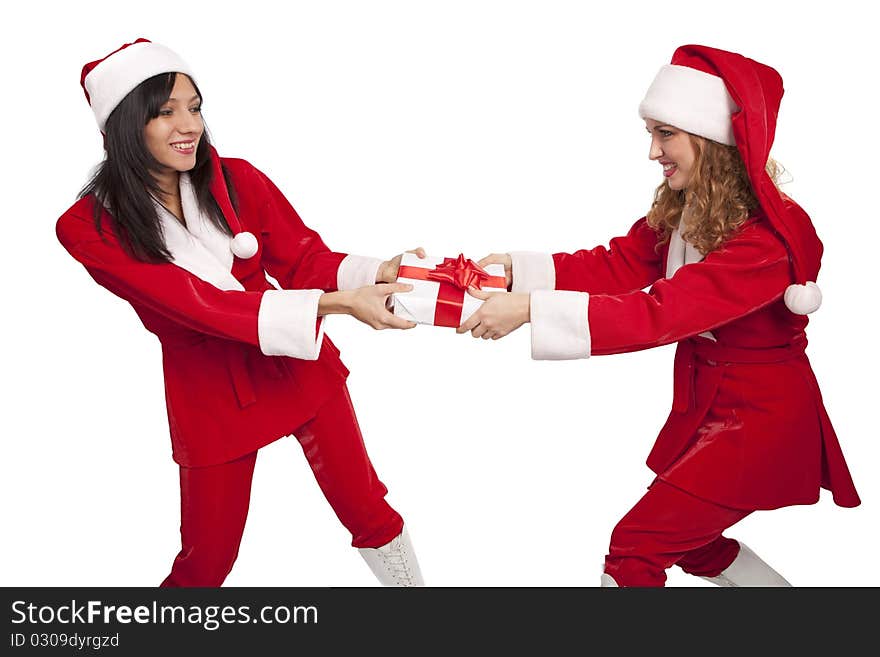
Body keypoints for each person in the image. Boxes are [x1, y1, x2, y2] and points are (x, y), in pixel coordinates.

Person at [460, 44, 861, 587]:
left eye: (665, 134)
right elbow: (619, 264)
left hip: (760, 421)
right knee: (694, 546)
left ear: (710, 139)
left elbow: (662, 313)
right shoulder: (691, 207)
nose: (653, 152)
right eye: (652, 133)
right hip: (713, 405)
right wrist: (518, 272)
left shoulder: (765, 242)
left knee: (635, 550)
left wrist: (530, 310)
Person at [56, 38, 427, 587]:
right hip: (208, 391)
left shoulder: (236, 178)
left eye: (195, 107)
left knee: (369, 509)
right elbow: (193, 304)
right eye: (165, 112)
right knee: (207, 561)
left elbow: (304, 258)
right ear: (123, 126)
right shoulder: (88, 226)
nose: (190, 125)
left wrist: (375, 273)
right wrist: (336, 304)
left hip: (296, 365)